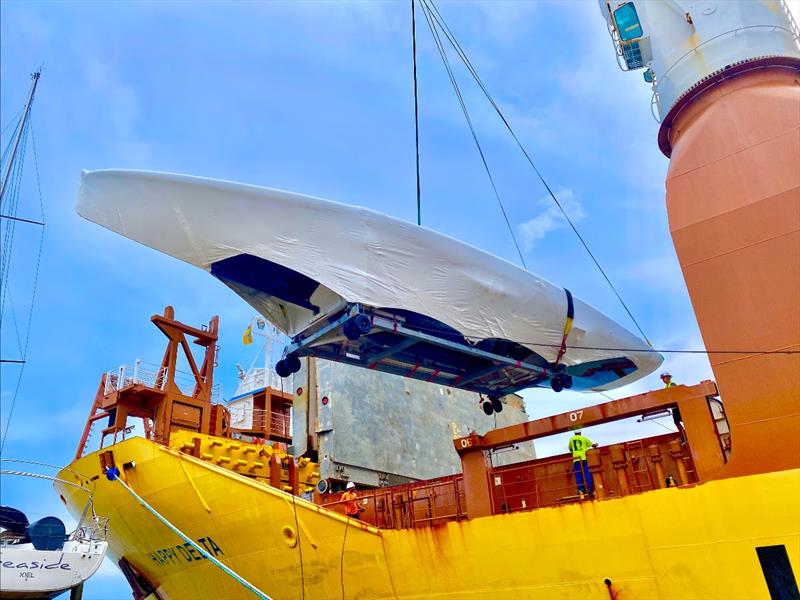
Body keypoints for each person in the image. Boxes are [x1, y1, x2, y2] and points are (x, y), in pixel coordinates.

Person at [568, 430, 598, 495]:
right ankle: (590, 489)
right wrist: (596, 445)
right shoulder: (584, 438)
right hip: (584, 458)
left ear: (574, 433)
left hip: (576, 459)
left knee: (578, 475)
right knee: (587, 473)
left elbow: (570, 449)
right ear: (580, 433)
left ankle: (581, 490)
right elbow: (592, 445)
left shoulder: (571, 439)